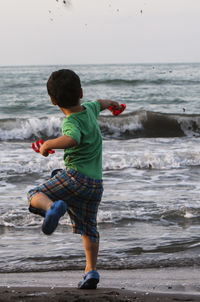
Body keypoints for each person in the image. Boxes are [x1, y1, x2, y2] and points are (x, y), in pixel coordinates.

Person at [27, 69, 120, 289]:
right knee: (89, 228)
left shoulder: (70, 122)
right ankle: (91, 271)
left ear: (52, 101)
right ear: (81, 92)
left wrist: (48, 145)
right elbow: (101, 102)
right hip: (95, 185)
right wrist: (114, 104)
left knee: (34, 195)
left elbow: (72, 139)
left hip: (76, 178)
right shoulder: (90, 108)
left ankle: (51, 207)